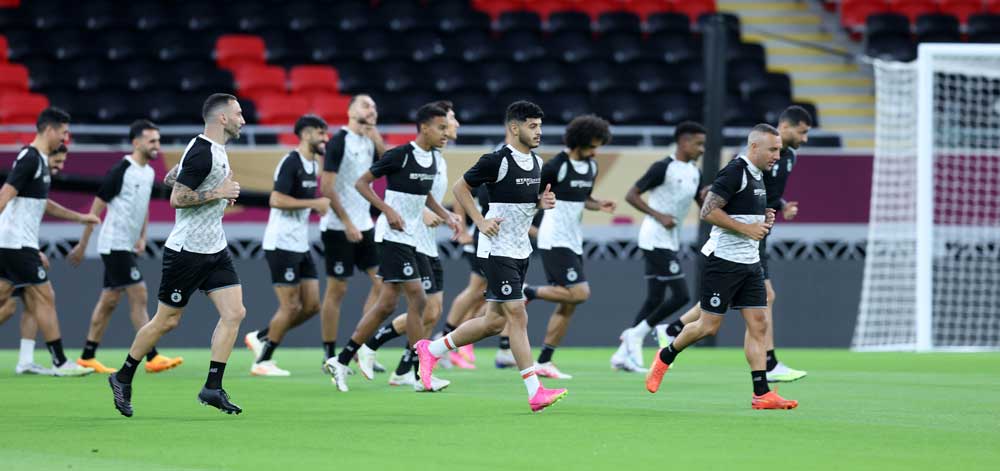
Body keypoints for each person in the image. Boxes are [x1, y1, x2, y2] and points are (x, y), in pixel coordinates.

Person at [414, 101, 569, 413]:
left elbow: (520, 203)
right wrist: (480, 222)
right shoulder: (496, 160)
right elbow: (460, 188)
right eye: (532, 126)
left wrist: (541, 202)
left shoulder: (536, 163)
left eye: (539, 126)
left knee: (493, 322)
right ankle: (534, 391)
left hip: (519, 249)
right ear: (514, 128)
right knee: (517, 314)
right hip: (495, 249)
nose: (538, 132)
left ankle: (431, 349)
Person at [107, 93, 247, 417]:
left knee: (235, 312)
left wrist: (215, 196)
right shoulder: (202, 152)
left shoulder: (211, 149)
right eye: (238, 114)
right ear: (222, 118)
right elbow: (176, 197)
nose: (243, 119)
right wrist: (218, 193)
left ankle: (213, 386)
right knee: (167, 320)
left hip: (215, 247)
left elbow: (174, 176)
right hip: (187, 251)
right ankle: (123, 375)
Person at [645, 124, 799, 410]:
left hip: (750, 262)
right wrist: (746, 228)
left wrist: (763, 219)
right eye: (773, 149)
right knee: (708, 326)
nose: (778, 155)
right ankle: (665, 356)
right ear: (754, 147)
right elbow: (708, 211)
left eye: (779, 149)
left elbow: (743, 212)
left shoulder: (758, 174)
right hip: (723, 261)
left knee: (759, 324)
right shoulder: (735, 171)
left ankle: (761, 394)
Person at [323, 103, 461, 392]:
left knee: (386, 304)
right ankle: (419, 370)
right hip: (391, 237)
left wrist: (447, 216)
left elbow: (424, 197)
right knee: (420, 300)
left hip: (410, 238)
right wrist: (386, 209)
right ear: (424, 128)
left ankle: (343, 357)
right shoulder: (400, 154)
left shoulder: (433, 159)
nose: (446, 132)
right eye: (441, 127)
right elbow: (363, 184)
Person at [275, 94, 384, 367]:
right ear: (350, 110)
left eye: (373, 106)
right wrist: (346, 222)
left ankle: (360, 347)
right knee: (338, 290)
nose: (371, 109)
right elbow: (326, 187)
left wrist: (375, 134)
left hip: (366, 225)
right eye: (365, 105)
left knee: (383, 285)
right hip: (338, 227)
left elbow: (389, 165)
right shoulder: (338, 141)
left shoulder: (371, 141)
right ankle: (329, 352)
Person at [66, 119, 183, 374]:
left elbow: (143, 209)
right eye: (152, 141)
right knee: (139, 293)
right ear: (136, 142)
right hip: (114, 244)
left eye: (158, 141)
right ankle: (152, 356)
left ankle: (87, 356)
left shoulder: (150, 173)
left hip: (126, 246)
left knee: (109, 300)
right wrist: (83, 243)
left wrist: (142, 236)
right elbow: (97, 207)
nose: (157, 145)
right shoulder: (121, 170)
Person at [0, 110, 99, 377]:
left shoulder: (40, 161)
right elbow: (5, 194)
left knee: (15, 303)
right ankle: (59, 361)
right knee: (45, 297)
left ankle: (26, 361)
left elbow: (43, 205)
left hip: (18, 244)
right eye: (64, 132)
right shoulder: (30, 158)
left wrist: (80, 217)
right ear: (49, 130)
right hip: (14, 244)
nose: (66, 138)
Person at [522, 114, 615, 379]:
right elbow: (531, 197)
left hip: (573, 240)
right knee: (579, 293)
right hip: (554, 238)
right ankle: (528, 291)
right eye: (592, 145)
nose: (595, 151)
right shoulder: (556, 166)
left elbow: (583, 198)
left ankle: (544, 361)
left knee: (569, 303)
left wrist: (599, 205)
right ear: (578, 141)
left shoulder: (591, 167)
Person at [609, 122, 707, 372]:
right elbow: (632, 195)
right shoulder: (663, 167)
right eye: (698, 143)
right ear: (683, 142)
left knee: (655, 298)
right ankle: (638, 335)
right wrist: (658, 214)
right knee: (681, 295)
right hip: (654, 238)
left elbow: (702, 202)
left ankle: (623, 354)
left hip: (669, 240)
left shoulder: (695, 172)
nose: (702, 149)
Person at [246, 115, 331, 376]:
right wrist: (313, 204)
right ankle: (262, 361)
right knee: (290, 306)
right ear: (305, 135)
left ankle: (261, 336)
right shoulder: (290, 162)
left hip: (299, 244)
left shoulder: (313, 165)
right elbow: (276, 199)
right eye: (321, 133)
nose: (325, 139)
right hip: (281, 243)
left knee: (312, 305)